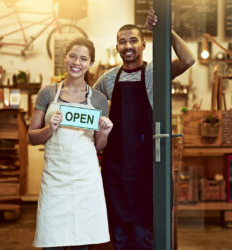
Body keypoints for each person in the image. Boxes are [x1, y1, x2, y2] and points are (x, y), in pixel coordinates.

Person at [93, 8, 195, 250]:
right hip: (116, 168)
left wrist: (165, 29)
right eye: (122, 41)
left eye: (133, 40)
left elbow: (189, 60)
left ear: (143, 45)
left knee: (142, 236)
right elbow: (88, 104)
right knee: (118, 235)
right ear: (117, 47)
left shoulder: (155, 72)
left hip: (147, 165)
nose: (128, 46)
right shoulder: (107, 79)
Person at [28, 37, 113, 250]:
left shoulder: (99, 100)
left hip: (85, 180)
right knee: (51, 240)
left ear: (90, 63)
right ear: (65, 57)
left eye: (84, 58)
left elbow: (98, 147)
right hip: (54, 180)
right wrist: (50, 128)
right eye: (73, 56)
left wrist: (104, 133)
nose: (77, 62)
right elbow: (31, 137)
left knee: (80, 243)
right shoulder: (47, 93)